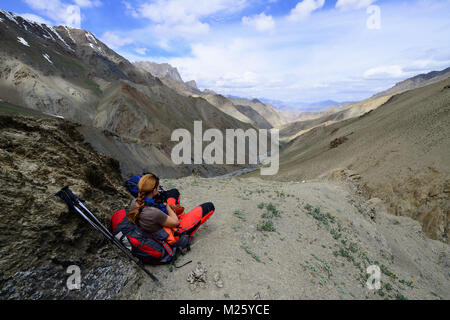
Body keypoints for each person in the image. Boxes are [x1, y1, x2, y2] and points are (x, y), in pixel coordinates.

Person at [126, 173, 215, 245]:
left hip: (158, 224)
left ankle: (181, 214)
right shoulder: (154, 213)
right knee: (209, 207)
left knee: (174, 193)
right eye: (158, 187)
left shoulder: (135, 202)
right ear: (154, 190)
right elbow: (175, 222)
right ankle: (186, 231)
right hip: (173, 232)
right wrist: (166, 206)